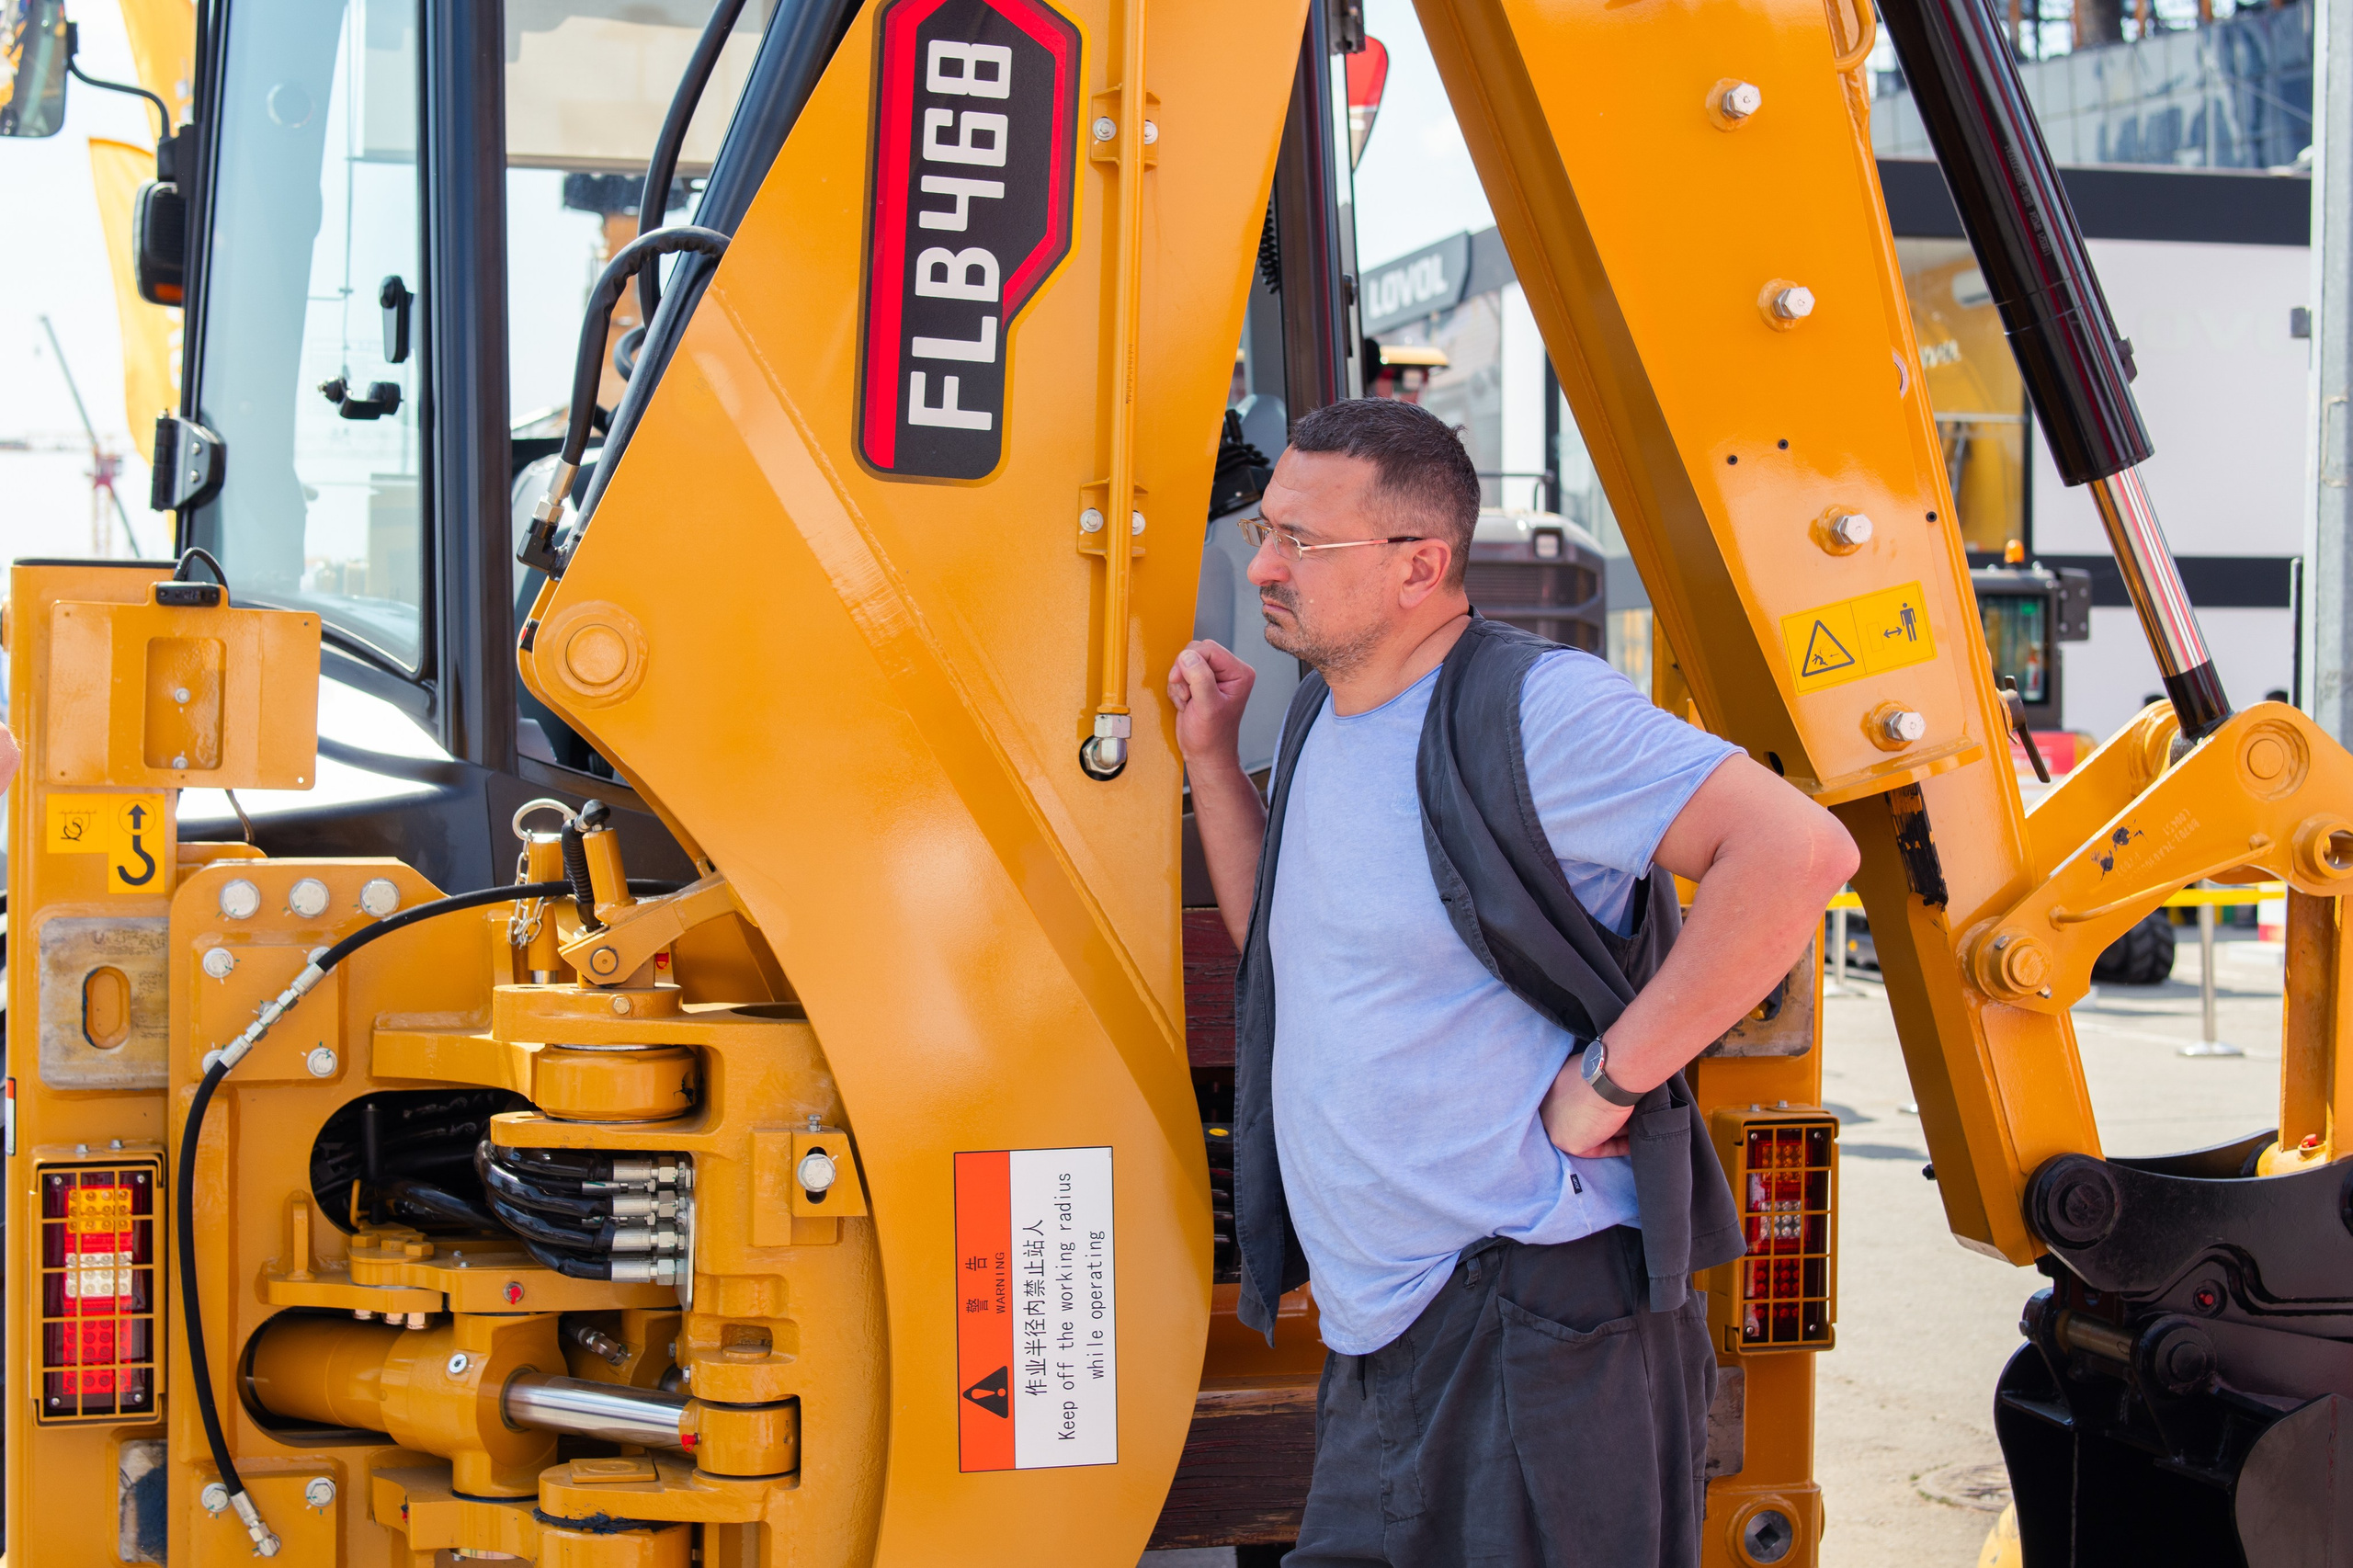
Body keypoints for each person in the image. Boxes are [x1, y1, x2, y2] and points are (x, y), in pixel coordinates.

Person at [1166, 399, 1858, 1568]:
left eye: (1300, 541)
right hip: (1386, 1332)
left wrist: (1611, 1077)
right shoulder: (1334, 716)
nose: (1266, 565)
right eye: (1263, 532)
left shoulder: (1539, 709)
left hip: (1531, 1323)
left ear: (1418, 565)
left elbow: (1799, 853)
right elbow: (1285, 951)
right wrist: (1211, 763)